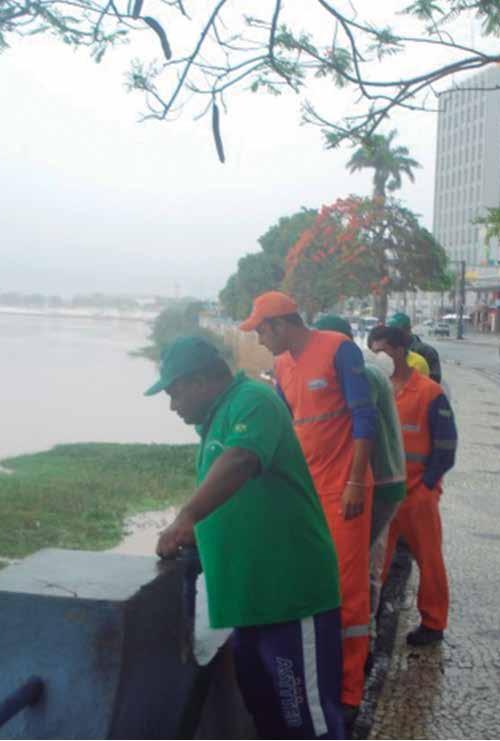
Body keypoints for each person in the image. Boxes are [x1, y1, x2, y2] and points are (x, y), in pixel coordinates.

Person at [153, 336, 344, 738]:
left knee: (307, 720)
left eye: (175, 393)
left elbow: (242, 458)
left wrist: (187, 517)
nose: (173, 406)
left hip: (289, 599)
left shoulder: (253, 400)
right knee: (267, 715)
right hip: (248, 604)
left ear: (202, 379)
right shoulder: (216, 419)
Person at [240, 292, 376, 722]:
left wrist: (356, 481)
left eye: (260, 330)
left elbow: (365, 419)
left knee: (348, 592)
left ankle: (351, 692)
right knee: (316, 588)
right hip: (307, 494)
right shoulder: (282, 366)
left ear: (280, 324)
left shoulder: (338, 349)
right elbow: (284, 429)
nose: (259, 341)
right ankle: (325, 682)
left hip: (344, 493)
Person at [312, 315, 406, 636]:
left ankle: (360, 640)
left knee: (357, 563)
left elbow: (355, 427)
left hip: (378, 482)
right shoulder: (364, 373)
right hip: (383, 481)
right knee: (364, 558)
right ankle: (362, 633)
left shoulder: (362, 375)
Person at [368, 325, 457, 647]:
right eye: (374, 351)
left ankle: (433, 623)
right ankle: (371, 620)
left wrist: (427, 487)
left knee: (429, 560)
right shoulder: (374, 389)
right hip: (381, 494)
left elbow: (447, 447)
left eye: (384, 350)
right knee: (375, 564)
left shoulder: (430, 393)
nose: (379, 356)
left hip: (417, 494)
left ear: (401, 350)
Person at [387, 312, 442, 384]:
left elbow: (435, 379)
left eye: (396, 330)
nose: (392, 334)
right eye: (389, 330)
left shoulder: (427, 352)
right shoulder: (388, 350)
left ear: (408, 329)